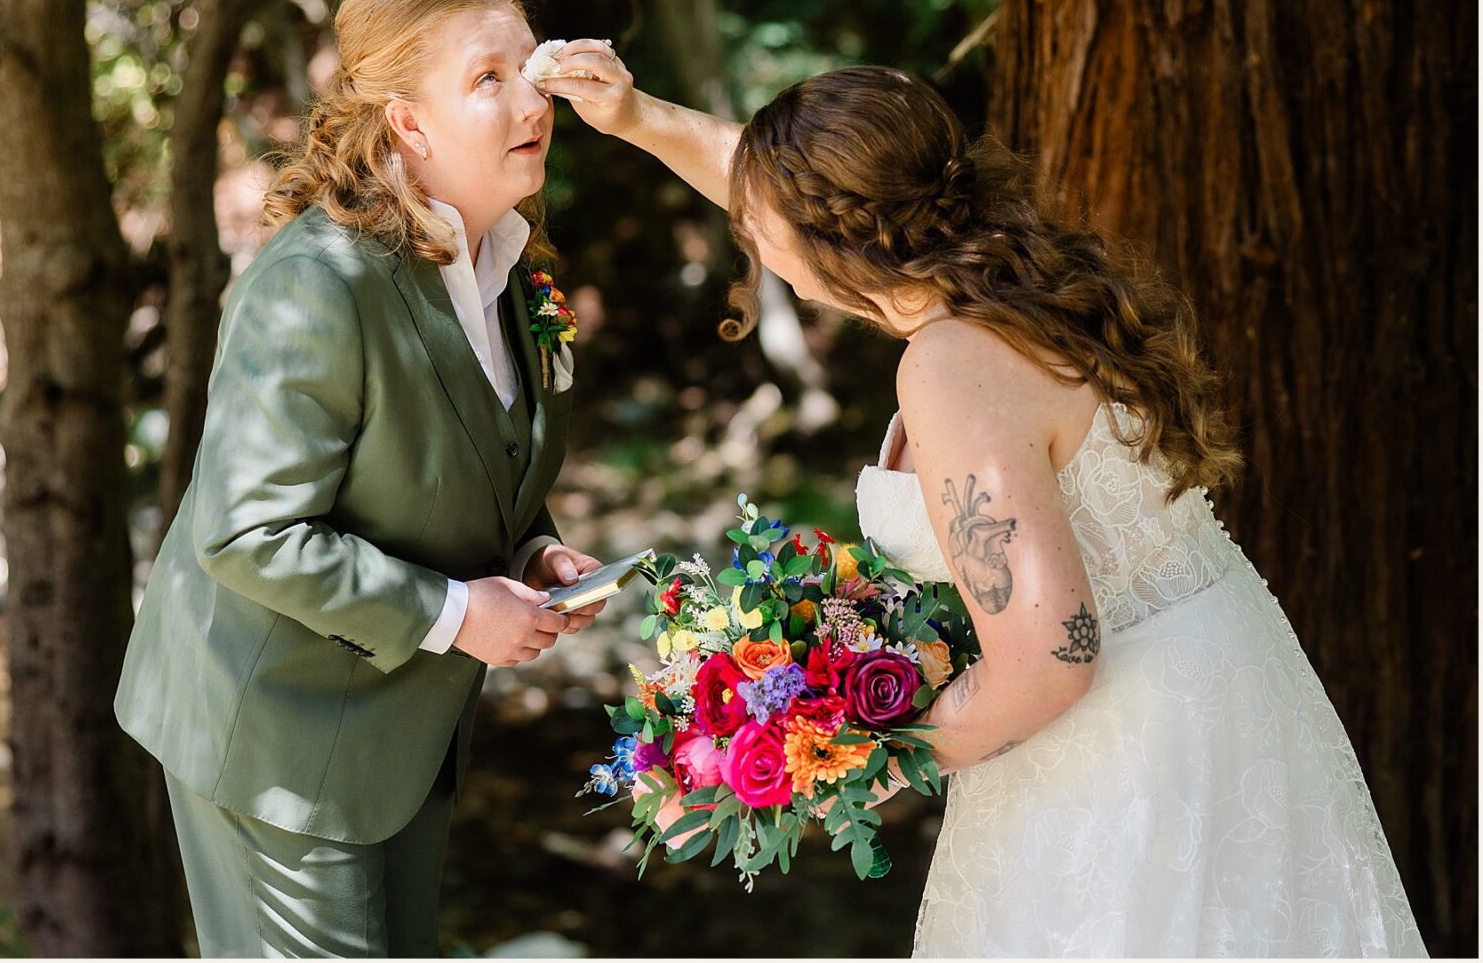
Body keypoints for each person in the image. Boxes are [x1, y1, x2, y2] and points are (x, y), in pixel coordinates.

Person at [536, 55, 1426, 956]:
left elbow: (1049, 661)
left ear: (837, 233)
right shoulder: (1016, 290)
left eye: (757, 220)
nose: (746, 233)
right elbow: (778, 182)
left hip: (1126, 766)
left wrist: (818, 765)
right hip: (1212, 685)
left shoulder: (952, 365)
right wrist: (638, 114)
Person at [115, 0, 612, 957]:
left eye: (535, 71)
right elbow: (246, 533)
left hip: (403, 735)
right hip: (275, 732)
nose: (533, 103)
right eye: (488, 79)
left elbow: (493, 459)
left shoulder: (524, 271)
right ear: (406, 124)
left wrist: (536, 553)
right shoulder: (317, 287)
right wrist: (464, 613)